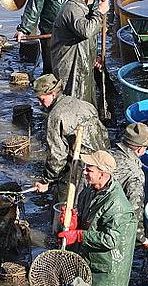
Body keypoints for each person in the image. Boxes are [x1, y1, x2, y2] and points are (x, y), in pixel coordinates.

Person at [58, 151, 137, 286]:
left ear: (103, 173)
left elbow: (111, 239)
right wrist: (74, 220)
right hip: (88, 259)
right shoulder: (89, 190)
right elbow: (86, 217)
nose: (85, 172)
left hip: (106, 269)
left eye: (89, 170)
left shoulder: (118, 205)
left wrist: (78, 235)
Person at [32, 73, 110, 204]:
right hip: (102, 159)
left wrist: (46, 180)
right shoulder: (84, 104)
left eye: (41, 99)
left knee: (64, 204)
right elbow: (103, 133)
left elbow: (58, 156)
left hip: (79, 163)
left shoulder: (55, 116)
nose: (40, 104)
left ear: (52, 94)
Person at [51, 0, 109, 107]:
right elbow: (86, 31)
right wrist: (99, 12)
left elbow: (87, 40)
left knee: (85, 104)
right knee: (72, 105)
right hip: (70, 69)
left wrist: (95, 58)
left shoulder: (82, 8)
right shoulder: (72, 9)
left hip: (82, 65)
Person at [111, 122, 148, 255]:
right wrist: (141, 238)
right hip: (113, 227)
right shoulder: (135, 174)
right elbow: (135, 209)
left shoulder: (108, 155)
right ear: (139, 149)